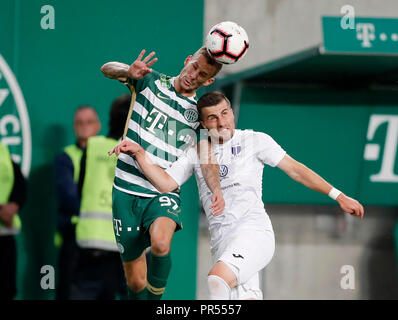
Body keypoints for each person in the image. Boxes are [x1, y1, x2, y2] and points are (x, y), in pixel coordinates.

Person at [110, 91, 365, 300]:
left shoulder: (256, 140)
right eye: (212, 118)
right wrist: (140, 155)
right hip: (221, 243)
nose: (221, 123)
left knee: (217, 279)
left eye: (224, 113)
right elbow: (166, 183)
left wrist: (338, 195)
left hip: (254, 232)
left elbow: (296, 170)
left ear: (231, 112)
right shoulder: (197, 151)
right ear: (202, 124)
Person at [101, 47, 225, 300]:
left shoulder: (199, 115)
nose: (194, 75)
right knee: (136, 282)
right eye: (194, 67)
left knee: (160, 244)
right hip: (125, 191)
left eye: (202, 75)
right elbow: (106, 68)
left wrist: (217, 190)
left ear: (209, 81)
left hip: (160, 191)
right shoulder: (149, 81)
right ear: (187, 59)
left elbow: (206, 157)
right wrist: (128, 71)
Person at [69, 94, 130, 300]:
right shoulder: (140, 152)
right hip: (127, 245)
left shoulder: (93, 146)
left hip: (91, 243)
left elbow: (80, 189)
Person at [54, 105, 101, 300]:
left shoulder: (108, 155)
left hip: (103, 239)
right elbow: (69, 197)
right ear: (74, 127)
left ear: (97, 126)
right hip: (74, 237)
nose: (84, 127)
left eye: (89, 122)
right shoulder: (66, 157)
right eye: (80, 123)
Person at [0, 142, 27, 300]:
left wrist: (14, 204)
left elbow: (20, 184)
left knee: (6, 289)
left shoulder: (3, 152)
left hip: (4, 236)